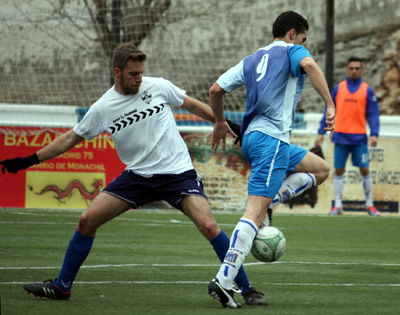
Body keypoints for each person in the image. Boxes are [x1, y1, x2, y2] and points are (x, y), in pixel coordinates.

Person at [0, 43, 266, 306]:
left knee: (209, 226)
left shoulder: (158, 86)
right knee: (86, 221)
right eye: (133, 74)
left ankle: (245, 288)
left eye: (140, 73)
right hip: (137, 177)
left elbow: (194, 106)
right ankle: (62, 287)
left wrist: (226, 124)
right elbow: (70, 138)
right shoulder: (103, 107)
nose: (139, 79)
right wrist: (28, 160)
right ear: (117, 72)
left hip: (178, 174)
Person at [207, 11, 335, 308]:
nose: (304, 44)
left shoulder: (252, 59)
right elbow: (310, 65)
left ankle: (272, 200)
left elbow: (215, 89)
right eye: (303, 38)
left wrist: (218, 121)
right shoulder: (294, 51)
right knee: (252, 211)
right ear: (293, 34)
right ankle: (225, 282)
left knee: (321, 169)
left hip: (252, 140)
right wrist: (329, 104)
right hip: (272, 141)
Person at [316, 56, 380, 216]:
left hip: (359, 138)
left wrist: (374, 134)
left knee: (365, 169)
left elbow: (373, 114)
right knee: (339, 170)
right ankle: (338, 205)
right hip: (341, 137)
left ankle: (369, 204)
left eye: (357, 68)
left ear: (361, 70)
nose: (354, 71)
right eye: (351, 68)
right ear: (347, 70)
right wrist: (321, 132)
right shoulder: (339, 88)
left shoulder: (367, 90)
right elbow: (328, 111)